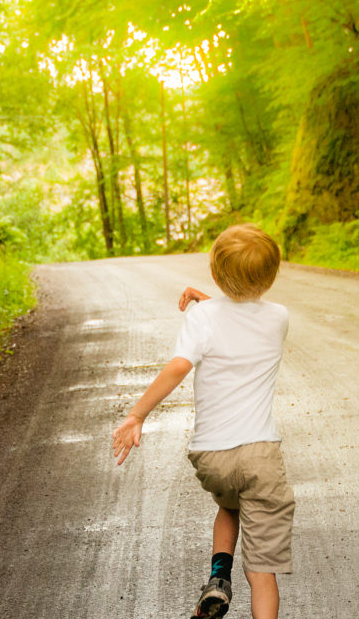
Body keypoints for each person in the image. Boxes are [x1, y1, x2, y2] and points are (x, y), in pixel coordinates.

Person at [112, 224, 295, 619]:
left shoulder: (203, 318)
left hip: (212, 455)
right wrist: (212, 300)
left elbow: (181, 364)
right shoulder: (278, 317)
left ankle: (218, 578)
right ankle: (233, 583)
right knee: (262, 572)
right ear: (272, 275)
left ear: (215, 273)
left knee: (230, 505)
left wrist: (137, 414)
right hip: (260, 456)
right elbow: (247, 320)